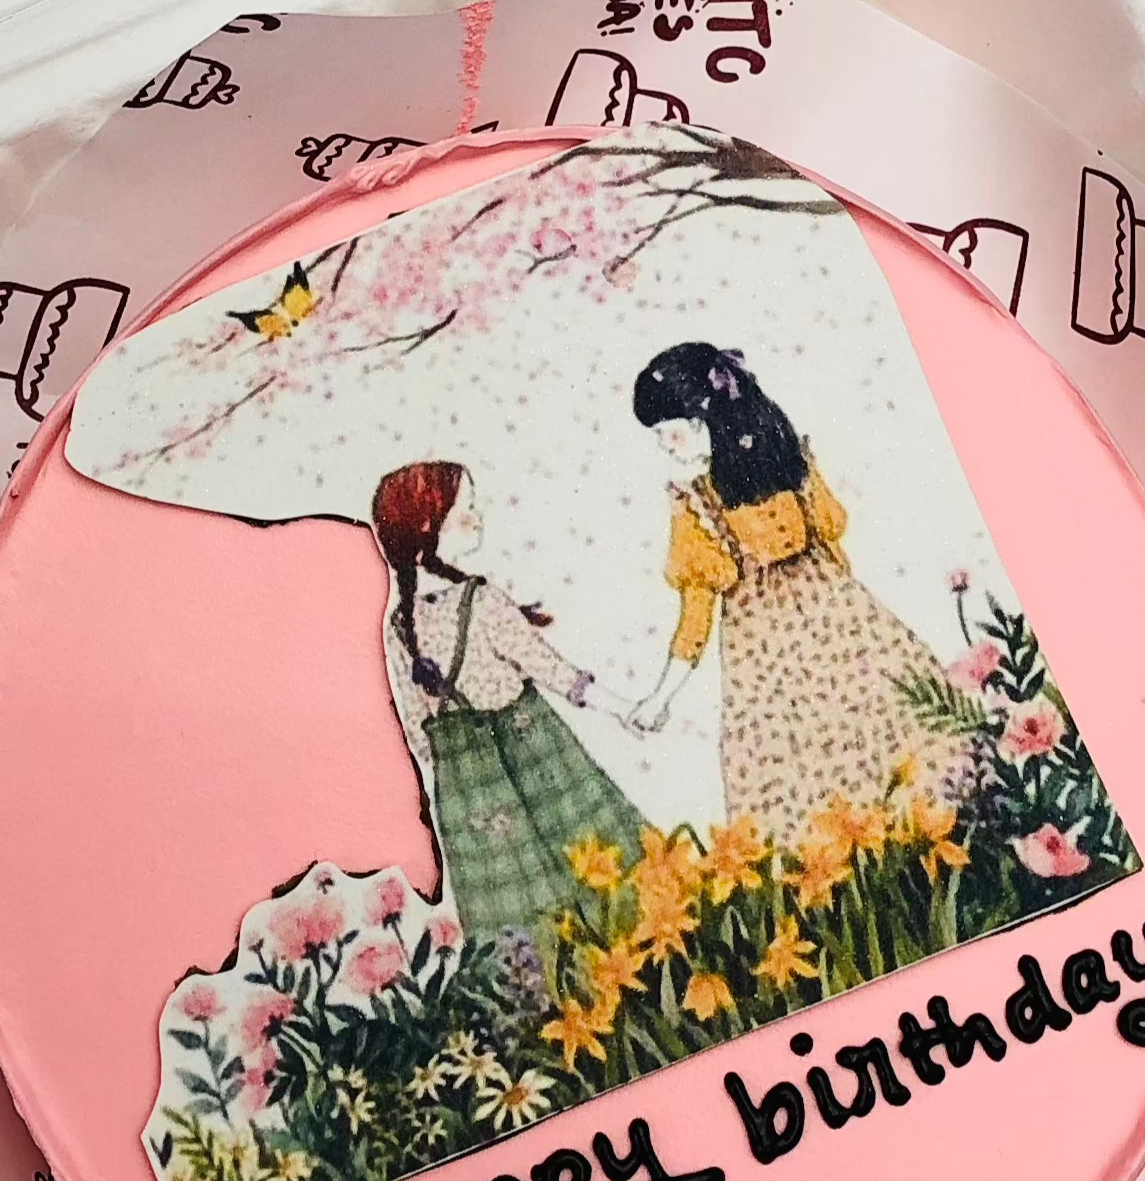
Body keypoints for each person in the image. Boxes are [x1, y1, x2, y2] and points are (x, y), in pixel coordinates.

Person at [622, 342, 968, 845]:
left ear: (705, 419)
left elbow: (696, 617)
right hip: (839, 624)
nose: (664, 447)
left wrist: (660, 698)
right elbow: (833, 558)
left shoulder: (703, 505)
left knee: (818, 769)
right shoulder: (784, 471)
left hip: (773, 655)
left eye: (667, 432)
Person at [369, 460, 647, 944]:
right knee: (596, 860)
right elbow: (552, 670)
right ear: (428, 527)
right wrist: (622, 707)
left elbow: (418, 733)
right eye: (465, 512)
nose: (478, 519)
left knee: (513, 900)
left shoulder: (399, 625)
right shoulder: (481, 602)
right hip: (534, 748)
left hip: (466, 783)